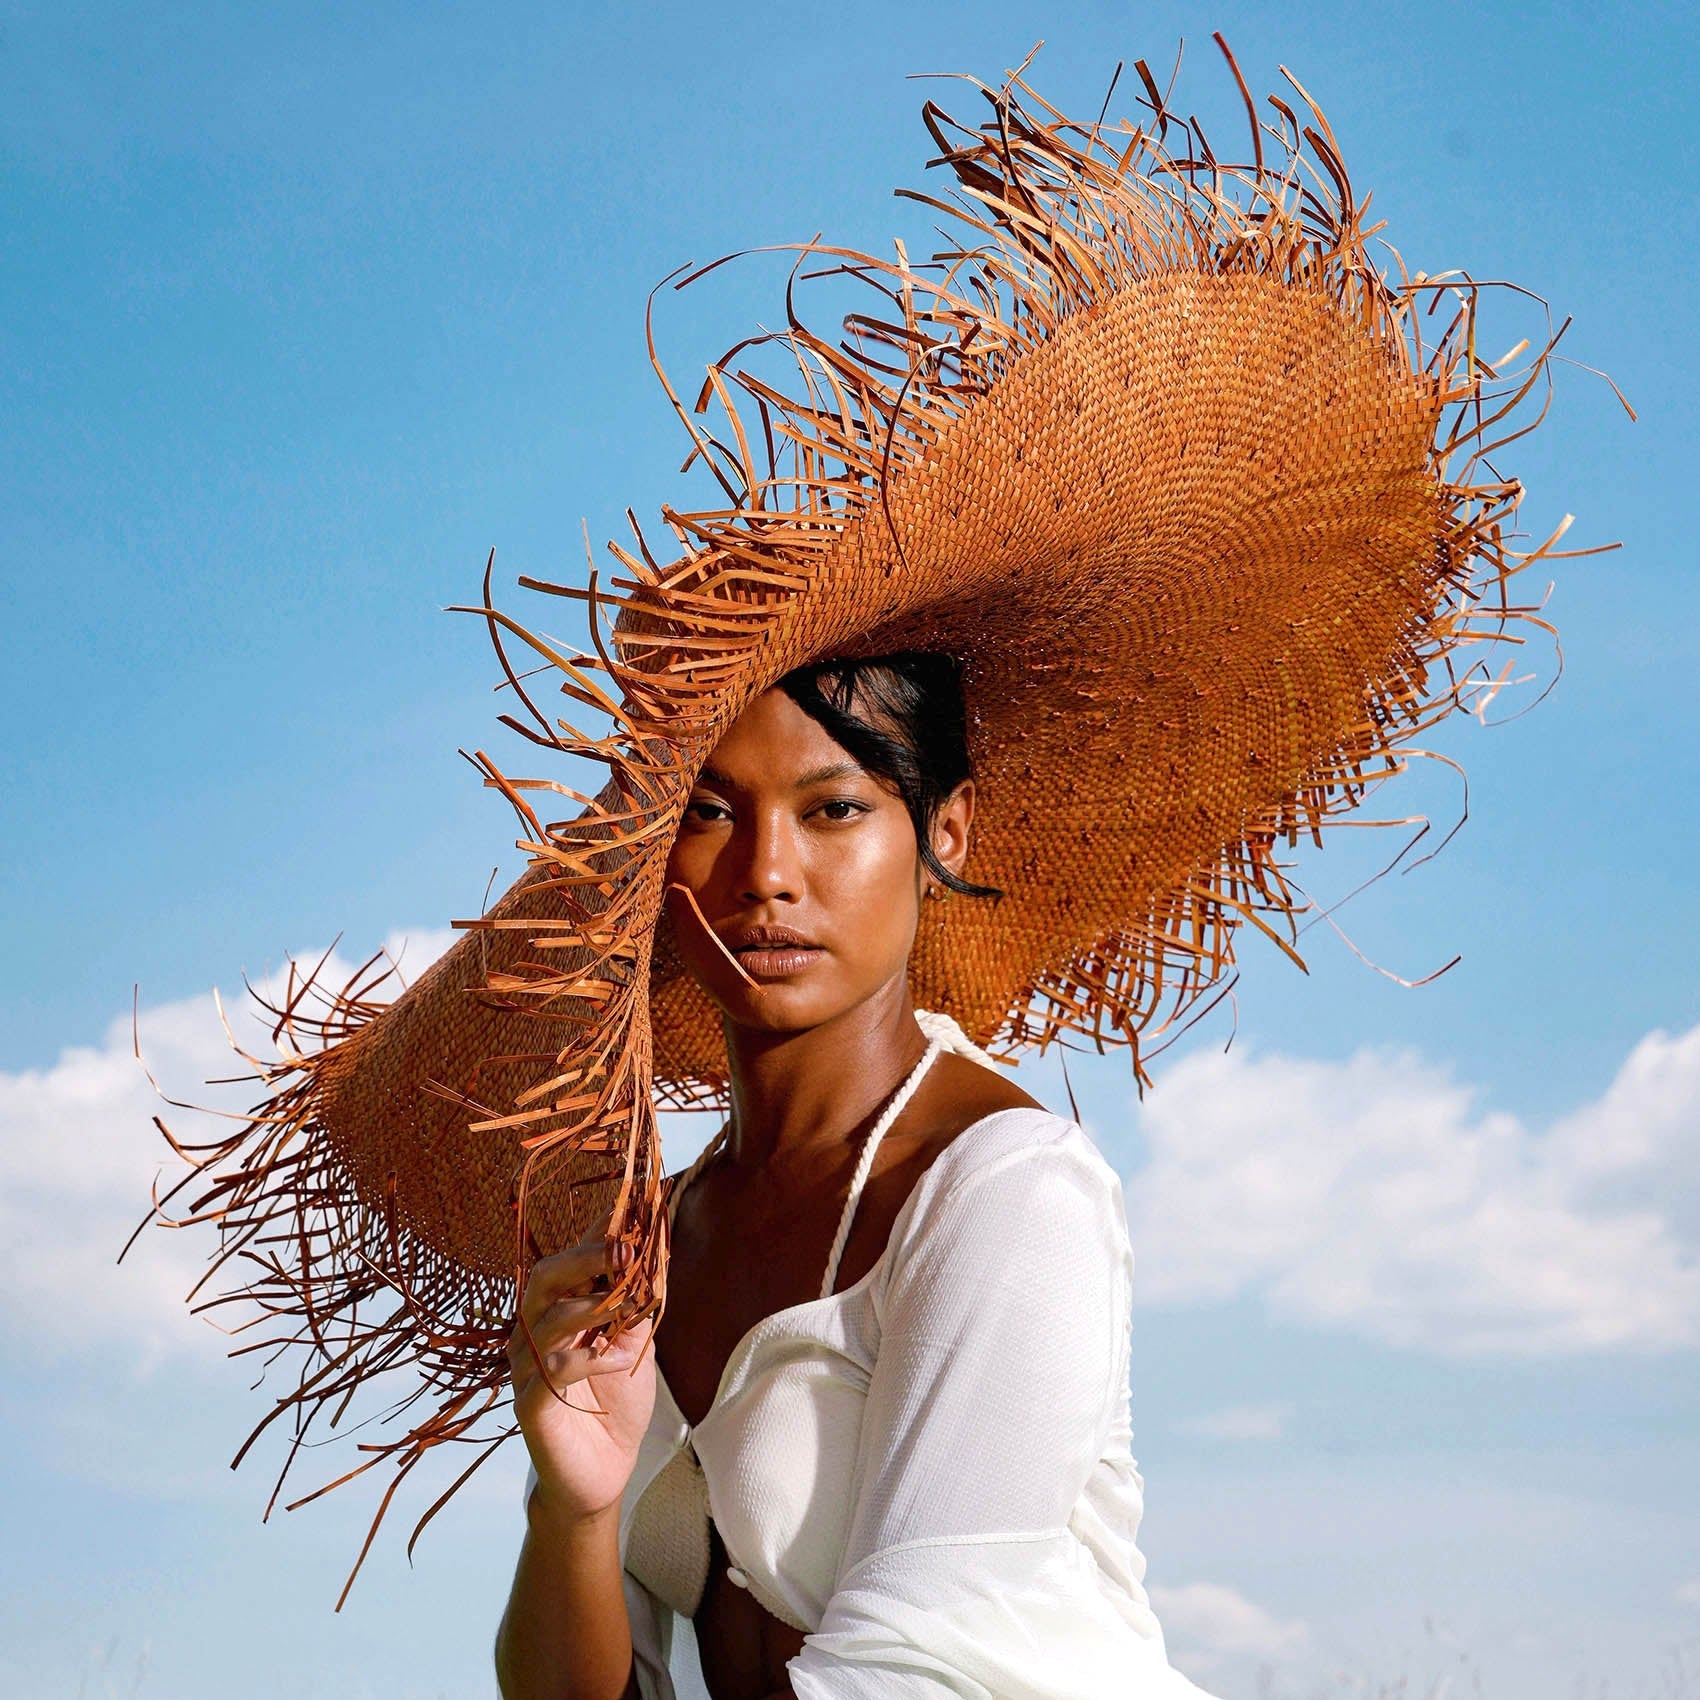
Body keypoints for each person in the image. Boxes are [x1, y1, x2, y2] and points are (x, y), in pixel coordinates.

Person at [494, 656, 1207, 1699]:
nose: (765, 872)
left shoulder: (1005, 1191)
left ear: (943, 832)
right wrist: (573, 1509)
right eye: (706, 811)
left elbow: (909, 1668)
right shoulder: (652, 1243)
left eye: (830, 807)